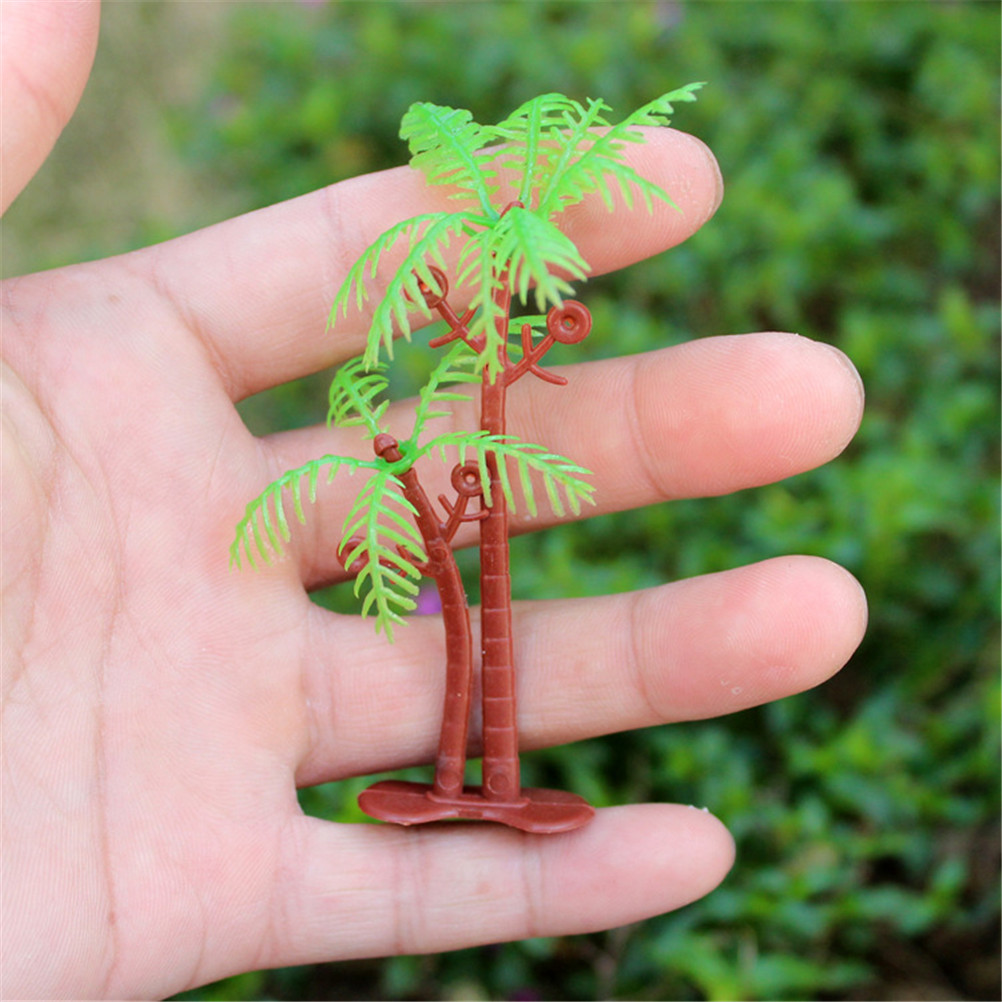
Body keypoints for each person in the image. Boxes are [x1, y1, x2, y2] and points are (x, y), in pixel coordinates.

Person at [0, 3, 868, 999]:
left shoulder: (504, 299)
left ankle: (492, 785)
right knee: (463, 600)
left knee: (481, 591)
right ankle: (459, 784)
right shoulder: (456, 311)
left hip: (474, 423)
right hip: (455, 439)